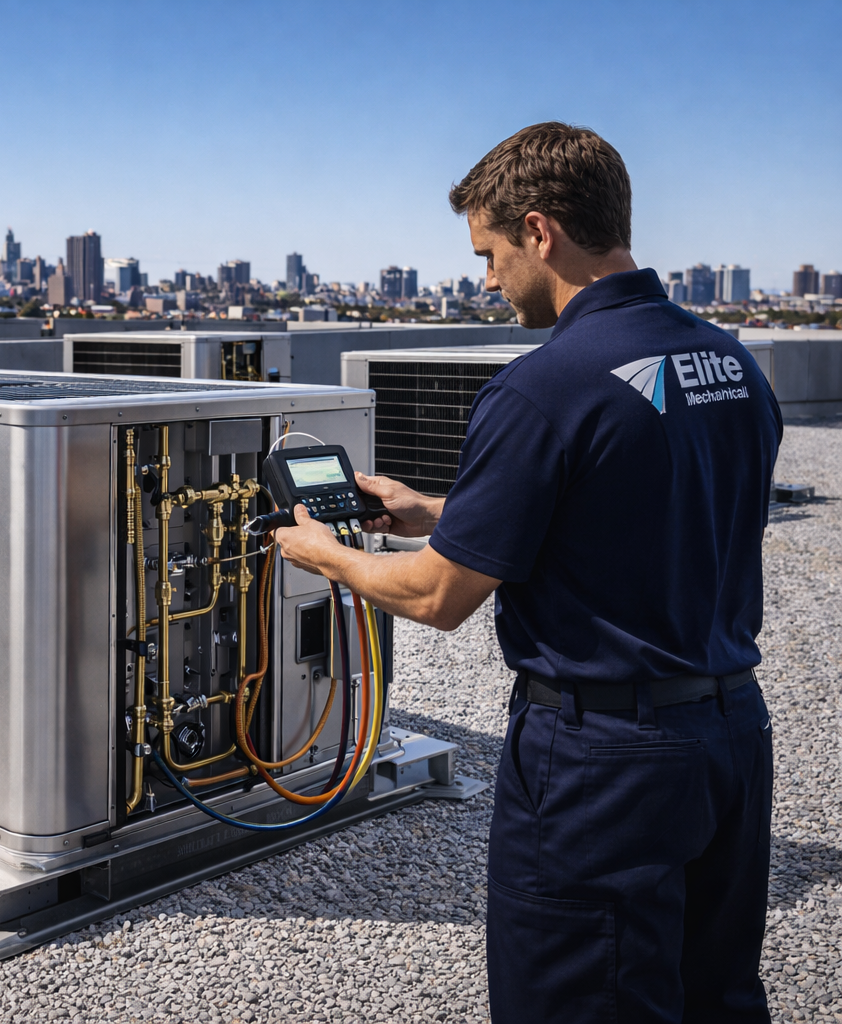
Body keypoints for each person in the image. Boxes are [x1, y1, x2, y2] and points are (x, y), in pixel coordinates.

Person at [273, 122, 780, 1023]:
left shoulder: (543, 386)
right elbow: (634, 505)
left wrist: (327, 554)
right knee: (715, 999)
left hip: (603, 766)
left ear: (540, 231)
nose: (487, 280)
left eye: (491, 252)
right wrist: (439, 513)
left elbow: (436, 598)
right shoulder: (729, 362)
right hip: (730, 736)